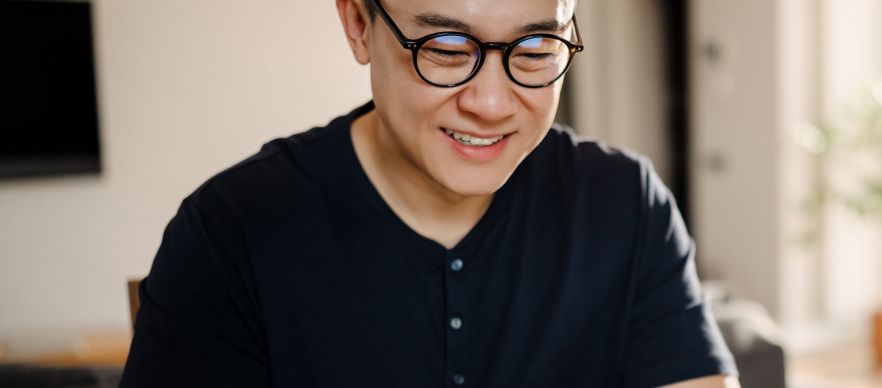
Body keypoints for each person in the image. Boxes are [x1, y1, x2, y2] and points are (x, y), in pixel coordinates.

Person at [118, 0, 739, 387]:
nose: (492, 104)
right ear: (359, 22)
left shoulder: (625, 204)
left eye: (534, 48)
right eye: (444, 49)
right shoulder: (232, 232)